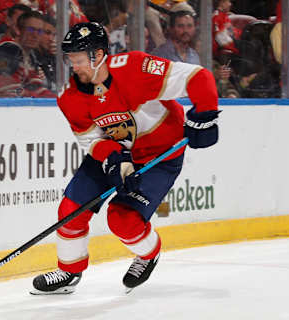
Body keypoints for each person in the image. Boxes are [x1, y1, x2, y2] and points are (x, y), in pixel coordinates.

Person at [30, 22, 220, 295]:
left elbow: (198, 77)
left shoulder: (135, 68)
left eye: (79, 60)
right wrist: (114, 160)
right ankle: (69, 272)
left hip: (159, 155)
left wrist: (204, 114)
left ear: (98, 56)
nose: (75, 67)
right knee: (71, 210)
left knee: (123, 220)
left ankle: (148, 254)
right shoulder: (70, 96)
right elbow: (91, 140)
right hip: (114, 152)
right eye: (71, 60)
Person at [0, 10, 55, 97]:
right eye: (30, 29)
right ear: (18, 30)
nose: (35, 35)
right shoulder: (8, 49)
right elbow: (9, 91)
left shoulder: (30, 56)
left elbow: (36, 87)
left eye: (39, 31)